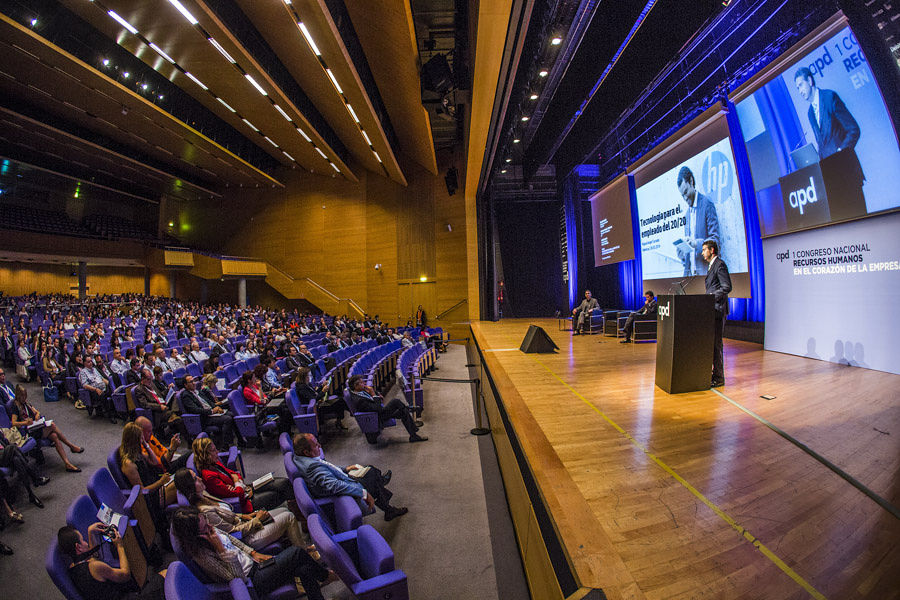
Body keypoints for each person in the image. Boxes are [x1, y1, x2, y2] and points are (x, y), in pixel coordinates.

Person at [170, 508, 333, 600]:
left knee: (302, 567)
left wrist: (253, 552)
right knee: (297, 553)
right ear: (196, 535)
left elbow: (233, 541)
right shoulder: (202, 555)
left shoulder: (209, 527)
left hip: (256, 564)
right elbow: (237, 578)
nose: (209, 526)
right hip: (252, 581)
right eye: (204, 527)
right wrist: (221, 550)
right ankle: (326, 576)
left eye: (205, 519)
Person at [173, 469, 304, 549]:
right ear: (190, 487)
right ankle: (304, 550)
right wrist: (256, 520)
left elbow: (228, 513)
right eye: (195, 479)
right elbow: (233, 534)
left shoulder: (204, 494)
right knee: (289, 517)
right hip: (248, 537)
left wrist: (244, 516)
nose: (200, 478)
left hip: (245, 523)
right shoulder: (205, 511)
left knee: (284, 511)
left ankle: (295, 544)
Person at [793, 67, 865, 213]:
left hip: (847, 173)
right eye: (797, 88)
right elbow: (823, 143)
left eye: (801, 85)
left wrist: (840, 153)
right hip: (831, 178)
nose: (799, 90)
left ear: (810, 81)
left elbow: (853, 130)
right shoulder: (810, 113)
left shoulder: (829, 97)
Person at [292, 433, 406, 521]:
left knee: (369, 471)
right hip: (342, 488)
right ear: (306, 452)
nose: (319, 446)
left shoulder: (300, 458)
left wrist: (346, 468)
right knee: (371, 473)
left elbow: (327, 467)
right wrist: (363, 493)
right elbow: (334, 485)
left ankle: (383, 492)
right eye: (316, 445)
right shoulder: (312, 468)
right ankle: (382, 488)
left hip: (340, 478)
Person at [56, 524, 166, 599]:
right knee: (165, 574)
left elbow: (92, 557)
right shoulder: (95, 567)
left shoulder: (73, 567)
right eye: (83, 540)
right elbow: (125, 574)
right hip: (124, 597)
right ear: (78, 547)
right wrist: (120, 546)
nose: (86, 543)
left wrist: (91, 532)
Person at [193, 437, 294, 513]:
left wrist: (236, 482)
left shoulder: (214, 463)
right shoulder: (208, 476)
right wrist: (236, 482)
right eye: (214, 451)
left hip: (246, 488)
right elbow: (236, 494)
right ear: (206, 455)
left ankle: (298, 512)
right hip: (245, 502)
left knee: (283, 483)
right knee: (279, 494)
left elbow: (235, 474)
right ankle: (299, 516)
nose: (217, 452)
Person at [9, 384, 83, 472]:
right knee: (52, 425)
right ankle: (71, 446)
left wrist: (37, 415)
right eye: (23, 396)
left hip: (35, 426)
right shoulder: (15, 406)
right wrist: (25, 422)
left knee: (55, 436)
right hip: (28, 431)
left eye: (25, 395)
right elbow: (13, 423)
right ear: (18, 395)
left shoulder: (26, 403)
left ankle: (67, 464)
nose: (25, 397)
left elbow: (37, 412)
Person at [117, 423, 175, 530]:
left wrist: (146, 444)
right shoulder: (128, 464)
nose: (143, 439)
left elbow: (154, 461)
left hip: (156, 486)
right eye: (141, 437)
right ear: (134, 440)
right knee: (181, 483)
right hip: (151, 497)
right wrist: (161, 482)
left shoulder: (138, 453)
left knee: (182, 477)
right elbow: (141, 491)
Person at [348, 374, 426, 443]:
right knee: (395, 401)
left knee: (403, 412)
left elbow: (371, 396)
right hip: (377, 416)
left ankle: (413, 436)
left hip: (379, 411)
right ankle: (409, 409)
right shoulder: (359, 400)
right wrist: (374, 395)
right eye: (362, 383)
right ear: (356, 386)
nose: (364, 384)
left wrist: (377, 394)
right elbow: (378, 408)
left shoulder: (359, 391)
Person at [676, 167, 719, 277]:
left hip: (706, 275)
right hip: (690, 279)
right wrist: (682, 254)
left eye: (686, 192)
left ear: (691, 181)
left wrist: (697, 244)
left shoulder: (707, 204)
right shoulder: (686, 214)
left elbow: (716, 241)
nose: (685, 198)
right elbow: (689, 256)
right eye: (682, 195)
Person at [703, 239, 731, 388]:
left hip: (718, 310)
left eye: (704, 250)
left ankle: (719, 378)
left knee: (716, 345)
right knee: (712, 344)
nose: (702, 253)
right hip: (712, 310)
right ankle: (714, 374)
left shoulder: (719, 265)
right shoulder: (711, 265)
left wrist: (711, 296)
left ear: (712, 250)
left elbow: (727, 287)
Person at [178, 375, 236, 447]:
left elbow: (209, 402)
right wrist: (212, 411)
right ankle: (225, 445)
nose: (194, 383)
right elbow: (194, 410)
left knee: (231, 414)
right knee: (227, 419)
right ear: (185, 385)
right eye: (191, 382)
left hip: (211, 413)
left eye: (194, 381)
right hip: (204, 418)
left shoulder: (197, 391)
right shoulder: (186, 395)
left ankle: (240, 442)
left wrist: (217, 407)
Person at [0, 429, 48, 507]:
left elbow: (4, 440)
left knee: (17, 460)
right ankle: (34, 477)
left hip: (6, 455)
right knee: (12, 447)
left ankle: (31, 495)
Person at [133, 368, 182, 438]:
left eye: (151, 378)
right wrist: (159, 407)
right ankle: (173, 415)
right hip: (157, 411)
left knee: (176, 396)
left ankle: (174, 413)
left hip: (164, 404)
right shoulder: (139, 389)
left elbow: (161, 395)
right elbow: (145, 404)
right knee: (179, 419)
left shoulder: (152, 384)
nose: (150, 381)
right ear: (142, 379)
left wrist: (168, 390)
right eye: (148, 379)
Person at [79, 355, 117, 423]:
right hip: (94, 391)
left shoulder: (94, 369)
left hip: (103, 387)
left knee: (113, 391)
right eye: (88, 362)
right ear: (84, 363)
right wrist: (95, 389)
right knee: (105, 395)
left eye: (91, 361)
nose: (90, 363)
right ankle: (111, 415)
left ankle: (116, 412)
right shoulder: (83, 372)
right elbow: (85, 385)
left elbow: (102, 378)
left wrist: (110, 384)